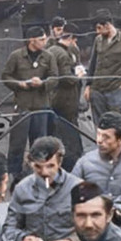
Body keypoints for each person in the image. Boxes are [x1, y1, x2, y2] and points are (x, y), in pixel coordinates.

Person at [1, 26, 58, 179]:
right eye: (41, 39)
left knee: (40, 144)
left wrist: (43, 83)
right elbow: (6, 76)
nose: (44, 42)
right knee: (17, 144)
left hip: (41, 106)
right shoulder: (16, 56)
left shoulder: (48, 56)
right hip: (23, 106)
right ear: (31, 40)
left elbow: (54, 78)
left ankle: (40, 173)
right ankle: (14, 175)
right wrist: (19, 84)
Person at [72, 112, 121, 211]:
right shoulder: (85, 163)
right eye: (98, 134)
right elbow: (69, 194)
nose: (99, 140)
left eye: (106, 137)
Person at [85, 10, 121, 124]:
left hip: (116, 91)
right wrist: (88, 85)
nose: (97, 32)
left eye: (99, 28)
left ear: (107, 25)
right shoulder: (98, 40)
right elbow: (93, 63)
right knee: (101, 127)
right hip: (97, 91)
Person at [47, 25, 85, 169]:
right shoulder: (63, 54)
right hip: (66, 99)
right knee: (70, 133)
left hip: (53, 97)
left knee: (57, 131)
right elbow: (67, 78)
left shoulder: (51, 50)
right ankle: (72, 162)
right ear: (70, 38)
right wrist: (78, 76)